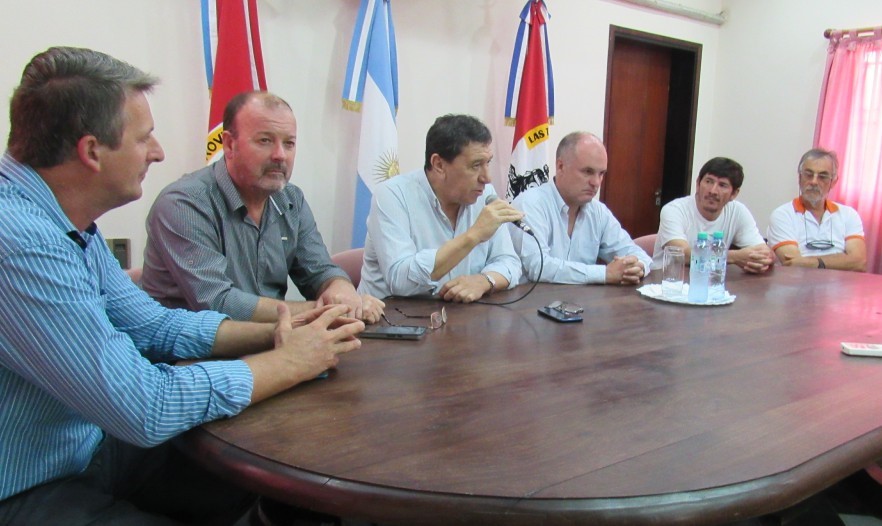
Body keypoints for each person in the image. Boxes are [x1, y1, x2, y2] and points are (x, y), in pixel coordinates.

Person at [0, 47, 364, 525]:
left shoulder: (68, 223)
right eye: (144, 138)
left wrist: (285, 332)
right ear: (91, 152)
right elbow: (145, 405)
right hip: (28, 485)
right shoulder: (22, 242)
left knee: (293, 484)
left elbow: (154, 326)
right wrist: (288, 361)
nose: (158, 152)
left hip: (89, 443)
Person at [142, 91, 385, 323]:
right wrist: (327, 310)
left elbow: (319, 270)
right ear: (229, 145)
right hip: (194, 348)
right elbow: (218, 303)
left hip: (274, 339)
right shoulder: (184, 204)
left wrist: (342, 290)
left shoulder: (290, 200)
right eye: (265, 141)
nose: (280, 155)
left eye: (289, 143)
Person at [358, 114, 523, 302]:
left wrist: (484, 280)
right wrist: (474, 235)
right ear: (439, 165)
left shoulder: (484, 194)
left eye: (488, 163)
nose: (487, 178)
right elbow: (400, 280)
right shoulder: (392, 196)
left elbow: (509, 261)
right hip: (388, 315)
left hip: (457, 315)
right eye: (476, 165)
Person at [511, 132, 650, 285]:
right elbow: (537, 267)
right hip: (533, 299)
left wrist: (637, 268)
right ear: (561, 166)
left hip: (581, 299)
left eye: (601, 174)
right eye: (588, 172)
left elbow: (636, 254)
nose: (596, 182)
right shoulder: (530, 204)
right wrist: (604, 274)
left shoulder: (598, 212)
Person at [652, 157, 774, 273]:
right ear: (698, 184)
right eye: (709, 182)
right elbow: (682, 254)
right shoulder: (674, 210)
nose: (713, 191)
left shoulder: (738, 211)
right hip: (667, 280)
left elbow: (766, 253)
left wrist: (759, 261)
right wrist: (735, 257)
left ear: (734, 194)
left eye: (722, 185)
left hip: (713, 281)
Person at [766, 148, 866, 272]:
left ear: (833, 182)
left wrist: (814, 262)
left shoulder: (849, 215)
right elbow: (792, 264)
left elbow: (859, 263)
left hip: (841, 283)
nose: (814, 182)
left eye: (822, 177)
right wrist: (843, 260)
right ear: (799, 177)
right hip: (798, 283)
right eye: (808, 175)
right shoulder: (782, 215)